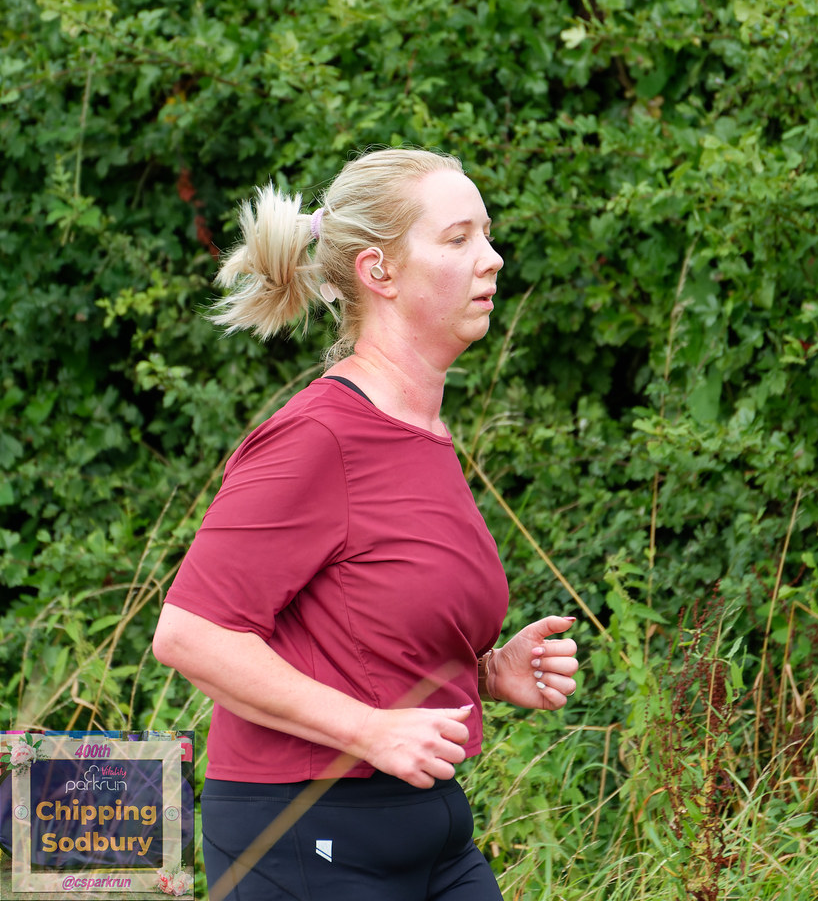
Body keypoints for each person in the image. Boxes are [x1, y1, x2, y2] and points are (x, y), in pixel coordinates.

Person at [152, 147, 579, 901]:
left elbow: (360, 633)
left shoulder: (422, 432)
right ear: (379, 271)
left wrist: (484, 673)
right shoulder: (319, 435)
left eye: (486, 235)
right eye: (458, 239)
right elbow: (190, 635)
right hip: (303, 828)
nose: (492, 259)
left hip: (429, 826)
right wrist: (369, 731)